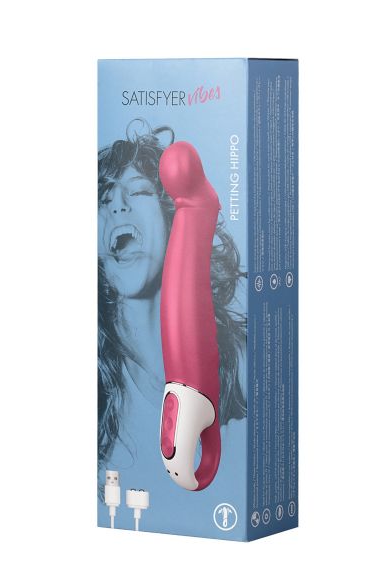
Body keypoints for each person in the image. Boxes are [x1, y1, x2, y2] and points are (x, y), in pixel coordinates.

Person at [98, 119, 247, 533]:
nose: (117, 206)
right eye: (103, 200)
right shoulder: (99, 397)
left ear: (171, 219)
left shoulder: (246, 362)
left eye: (138, 191)